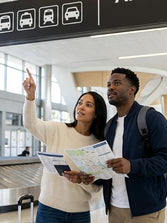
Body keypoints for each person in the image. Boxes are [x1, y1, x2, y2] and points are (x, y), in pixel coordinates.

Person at [22, 68, 107, 223]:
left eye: (88, 105)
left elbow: (96, 186)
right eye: (80, 103)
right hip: (49, 209)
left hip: (80, 213)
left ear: (96, 113)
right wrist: (30, 97)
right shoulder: (57, 129)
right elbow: (30, 123)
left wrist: (82, 180)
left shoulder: (97, 144)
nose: (80, 107)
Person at [94, 67, 167, 223]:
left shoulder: (152, 118)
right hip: (114, 208)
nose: (110, 87)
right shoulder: (109, 127)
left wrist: (132, 166)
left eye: (116, 83)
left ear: (132, 90)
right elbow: (107, 168)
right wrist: (90, 176)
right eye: (109, 84)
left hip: (145, 210)